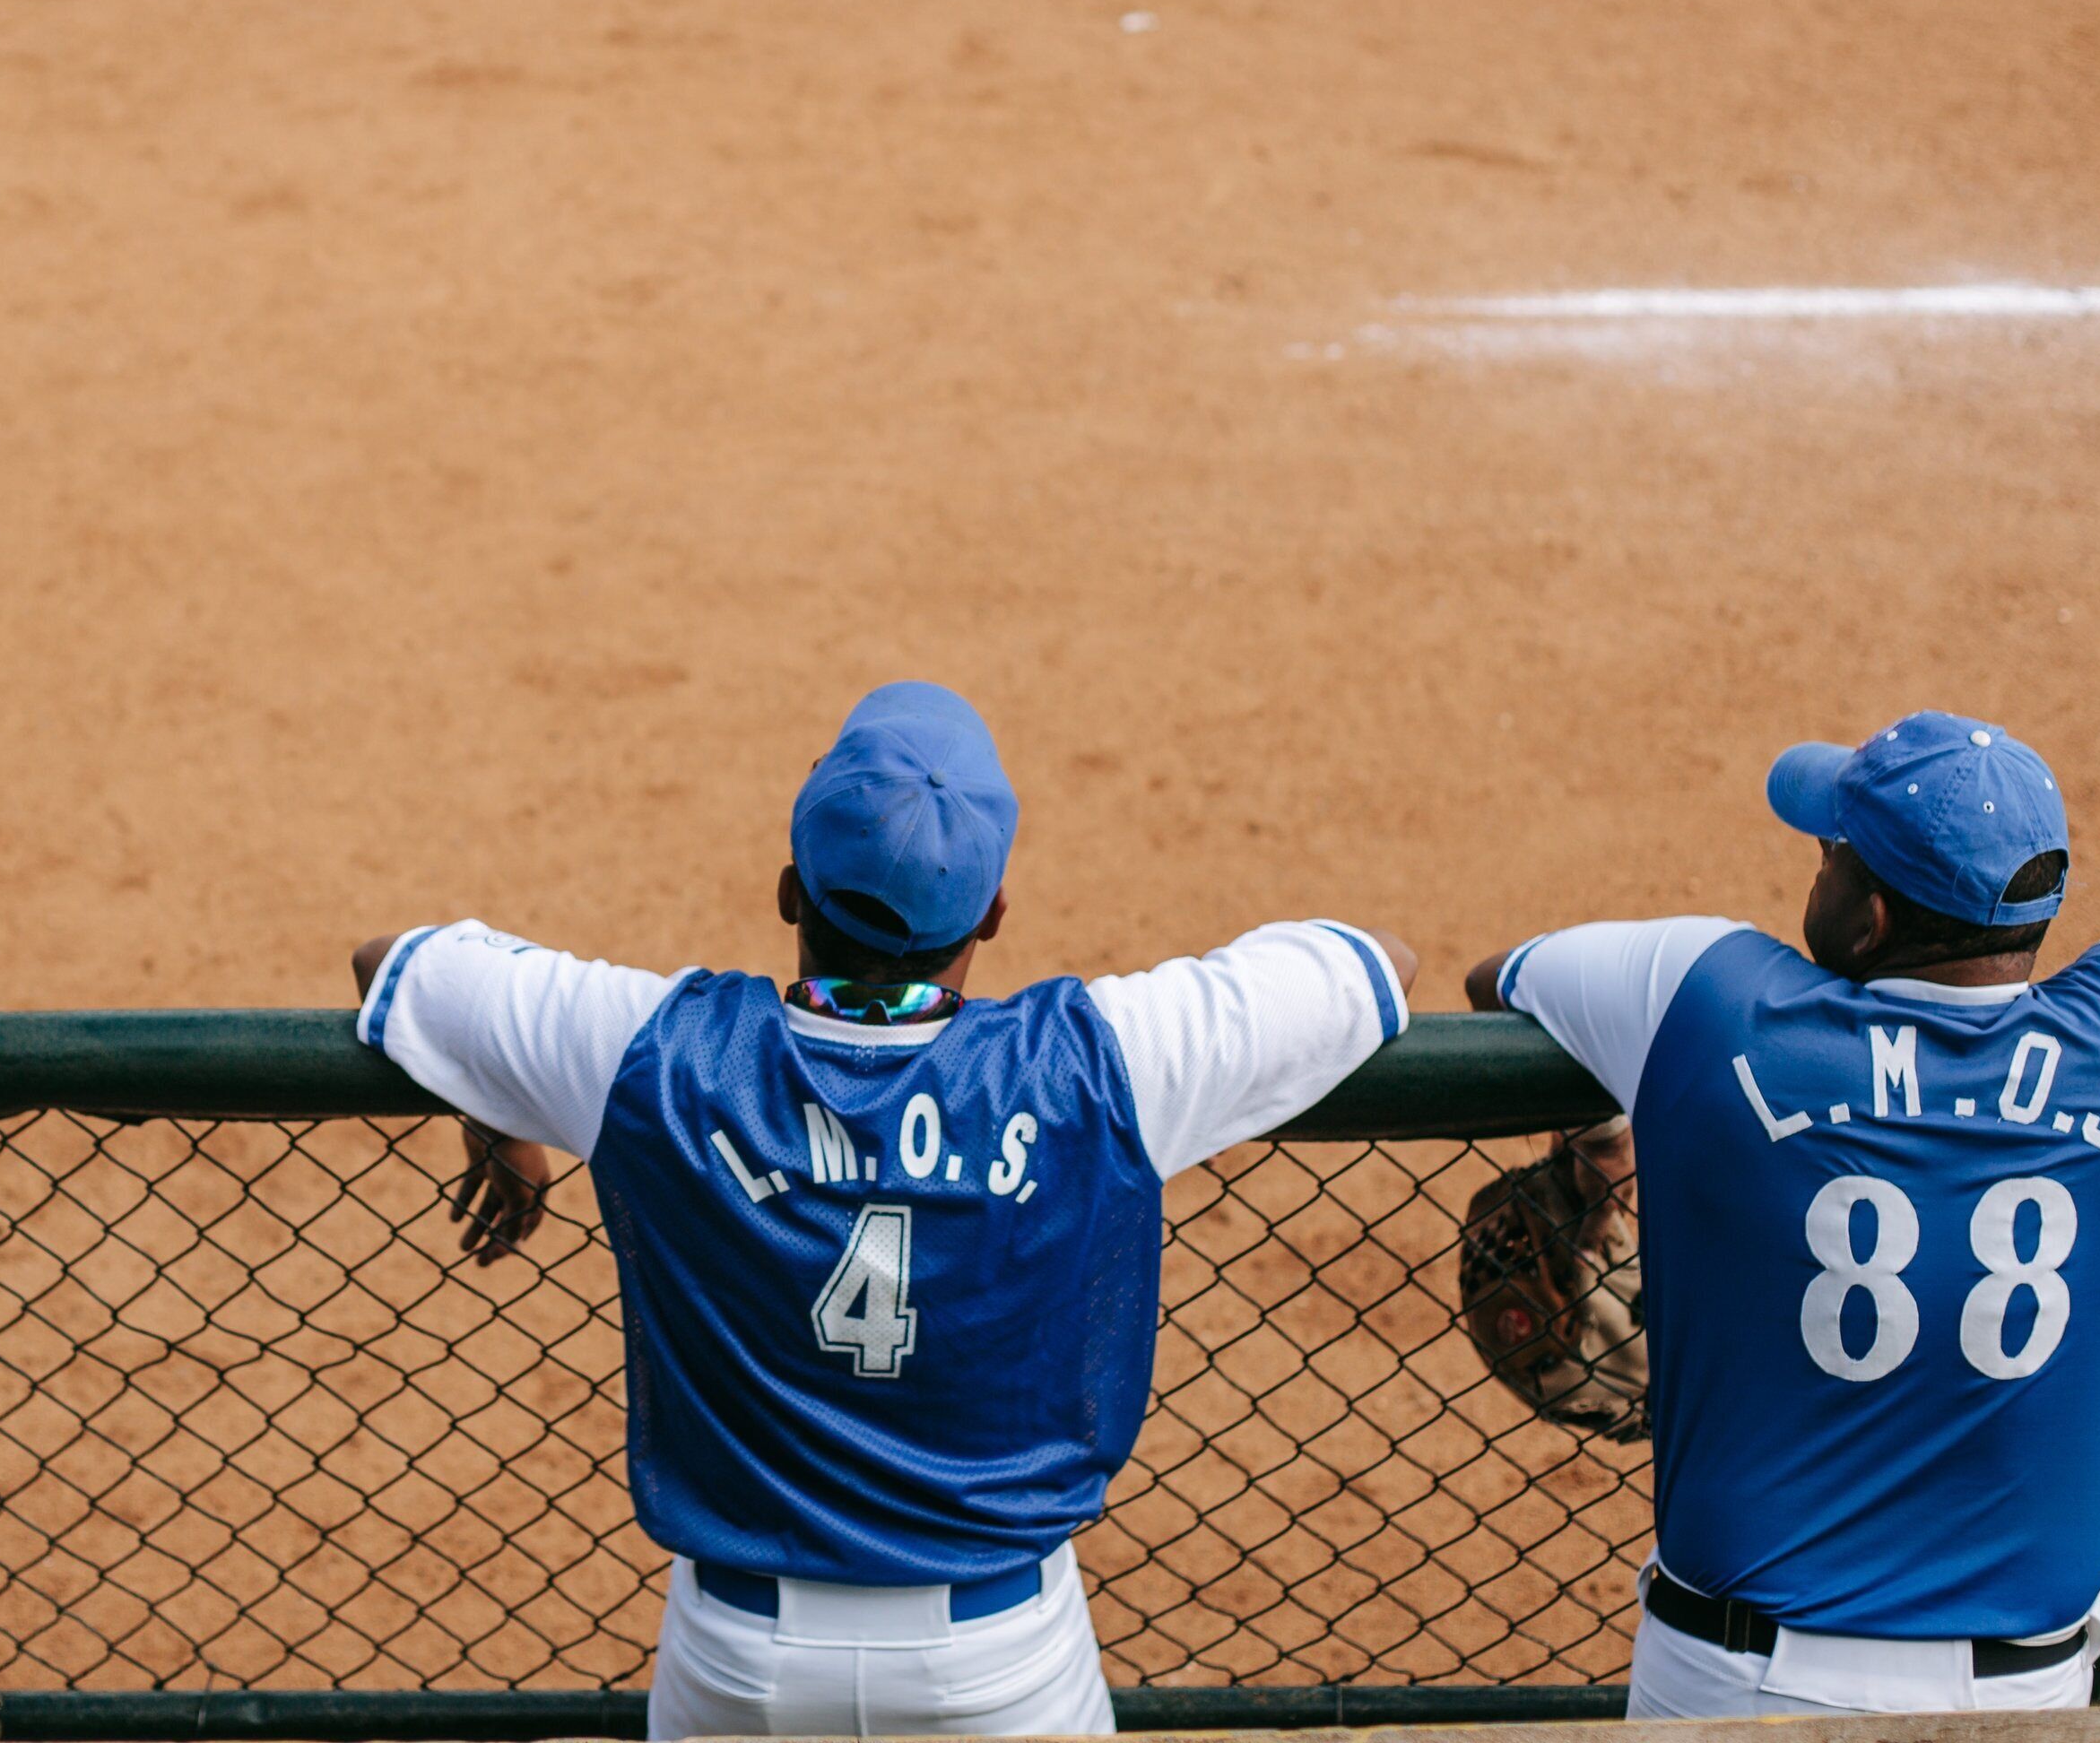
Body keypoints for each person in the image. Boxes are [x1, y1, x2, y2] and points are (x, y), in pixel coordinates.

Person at [348, 682, 1417, 1738]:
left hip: (739, 1665)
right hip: (1000, 1665)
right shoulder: (1103, 1061)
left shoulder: (653, 1052)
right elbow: (1377, 969)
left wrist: (503, 1118)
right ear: (996, 913)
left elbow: (396, 967)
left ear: (787, 893)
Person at [1464, 712, 2100, 1718]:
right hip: (2023, 1700)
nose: (1815, 869)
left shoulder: (1708, 996)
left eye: (1831, 856)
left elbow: (1497, 980)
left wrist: (1611, 1137)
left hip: (1733, 1686)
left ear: (1865, 920)